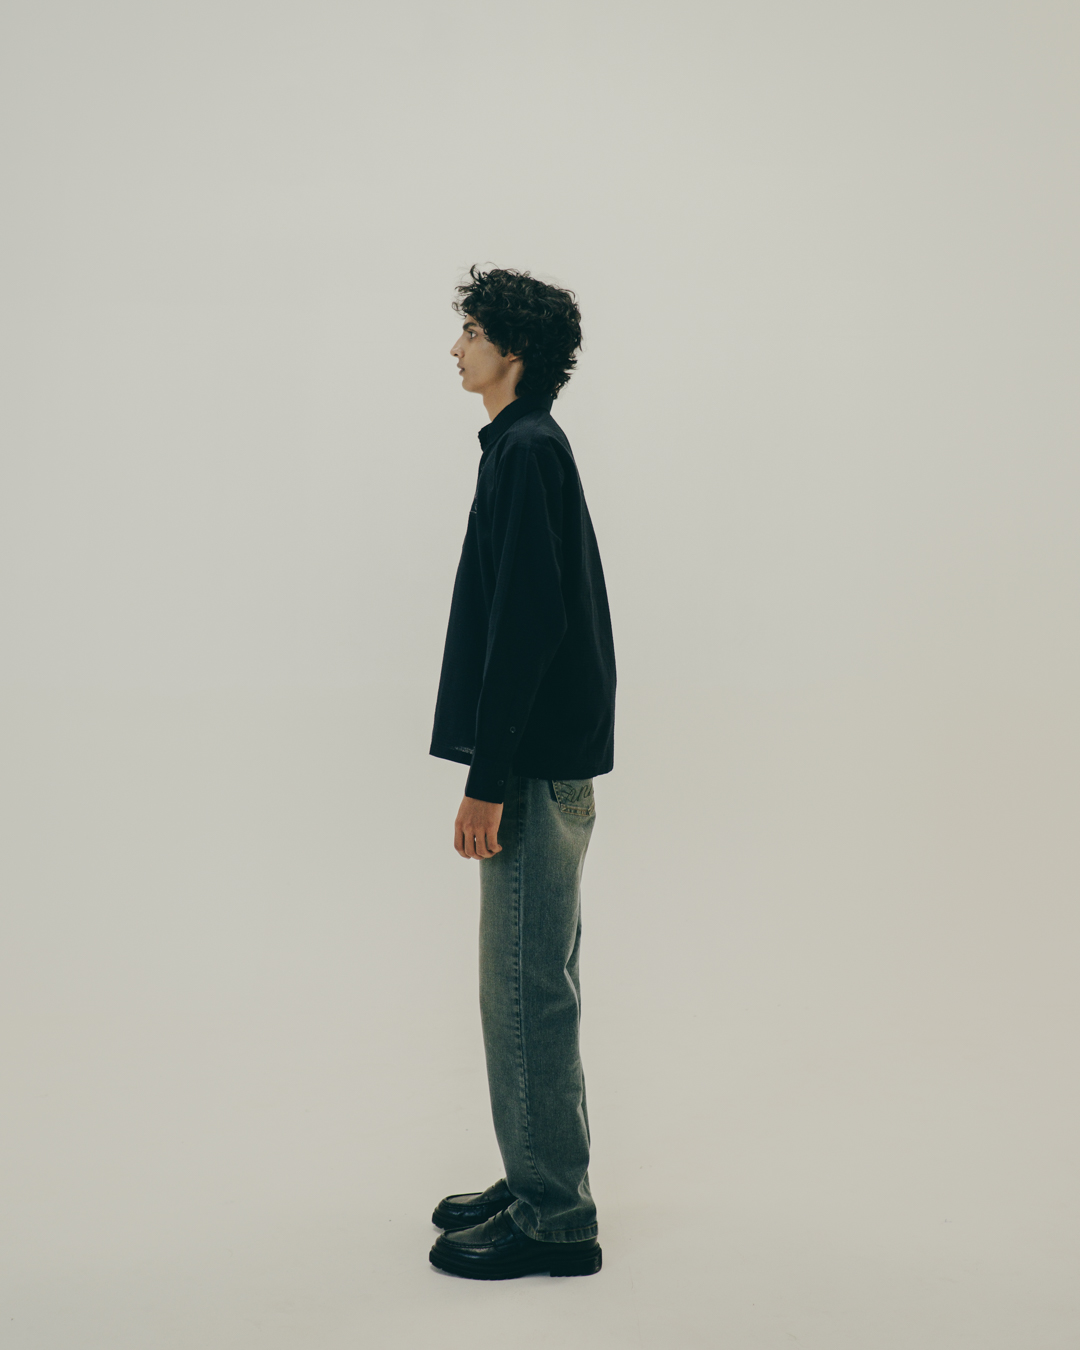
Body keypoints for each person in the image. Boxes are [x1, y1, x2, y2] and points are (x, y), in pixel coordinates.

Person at [427, 265, 617, 1280]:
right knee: (530, 980)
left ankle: (555, 1217)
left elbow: (529, 626)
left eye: (471, 331)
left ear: (515, 351)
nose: (456, 348)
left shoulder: (528, 451)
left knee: (522, 988)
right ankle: (535, 1169)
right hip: (542, 765)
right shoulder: (519, 447)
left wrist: (488, 779)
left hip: (533, 773)